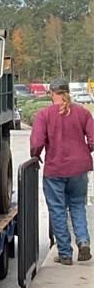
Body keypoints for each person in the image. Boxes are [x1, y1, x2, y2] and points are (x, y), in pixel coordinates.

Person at [29, 79, 94, 264]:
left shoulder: (44, 114)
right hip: (79, 169)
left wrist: (35, 155)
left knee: (57, 210)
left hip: (55, 169)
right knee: (77, 205)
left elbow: (36, 143)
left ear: (52, 94)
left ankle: (65, 253)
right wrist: (81, 152)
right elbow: (93, 141)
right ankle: (83, 241)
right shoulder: (83, 113)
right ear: (68, 93)